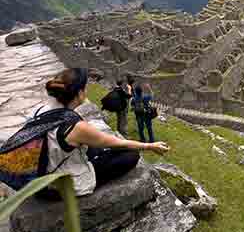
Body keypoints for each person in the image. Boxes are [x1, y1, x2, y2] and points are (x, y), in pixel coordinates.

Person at [41, 68, 169, 197]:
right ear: (79, 93)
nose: (87, 90)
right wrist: (150, 146)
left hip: (46, 171)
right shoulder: (75, 127)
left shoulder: (43, 110)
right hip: (62, 183)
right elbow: (117, 143)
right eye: (85, 87)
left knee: (96, 148)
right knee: (131, 155)